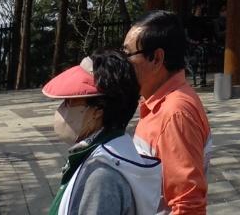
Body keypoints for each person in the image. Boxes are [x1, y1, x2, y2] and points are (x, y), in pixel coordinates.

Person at [43, 50, 162, 215]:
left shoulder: (102, 177)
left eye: (70, 102)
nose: (61, 109)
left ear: (97, 111)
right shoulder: (108, 150)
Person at [125, 11, 213, 215]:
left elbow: (188, 205)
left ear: (157, 58)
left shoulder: (174, 114)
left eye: (128, 54)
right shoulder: (161, 103)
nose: (124, 62)